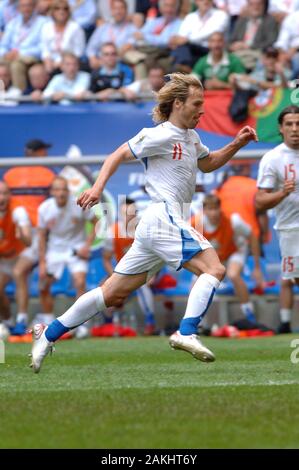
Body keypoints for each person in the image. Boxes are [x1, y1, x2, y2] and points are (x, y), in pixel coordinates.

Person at [30, 72, 257, 373]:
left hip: (157, 224)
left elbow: (208, 163)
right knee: (213, 268)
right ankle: (186, 332)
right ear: (178, 103)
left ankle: (48, 333)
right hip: (163, 216)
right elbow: (117, 155)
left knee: (112, 293)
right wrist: (97, 189)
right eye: (197, 103)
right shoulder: (158, 134)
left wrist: (236, 144)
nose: (202, 110)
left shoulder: (191, 137)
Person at [4, 139, 55, 334]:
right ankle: (17, 320)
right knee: (22, 275)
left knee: (24, 274)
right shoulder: (47, 174)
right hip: (29, 232)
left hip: (23, 233)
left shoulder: (10, 173)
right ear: (36, 152)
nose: (46, 155)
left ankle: (22, 320)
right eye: (44, 151)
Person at [256, 105, 299, 333]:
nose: (295, 129)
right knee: (292, 280)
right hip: (291, 230)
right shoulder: (273, 158)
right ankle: (284, 322)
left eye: (298, 124)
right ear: (281, 129)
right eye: (289, 124)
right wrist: (282, 192)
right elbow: (260, 201)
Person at [37, 176, 98, 334]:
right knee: (43, 285)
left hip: (75, 248)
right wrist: (42, 262)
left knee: (80, 282)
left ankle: (80, 324)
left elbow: (97, 222)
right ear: (52, 191)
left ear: (68, 191)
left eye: (64, 189)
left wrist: (87, 245)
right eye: (57, 189)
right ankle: (48, 321)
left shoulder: (78, 204)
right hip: (54, 250)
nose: (61, 193)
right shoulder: (44, 208)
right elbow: (41, 236)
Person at [193, 193, 263, 323]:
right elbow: (191, 250)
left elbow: (252, 237)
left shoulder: (233, 220)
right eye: (210, 209)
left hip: (234, 251)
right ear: (204, 210)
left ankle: (249, 314)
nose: (213, 213)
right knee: (196, 282)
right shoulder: (196, 223)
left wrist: (257, 267)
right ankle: (199, 323)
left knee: (233, 274)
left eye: (216, 208)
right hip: (213, 258)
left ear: (220, 208)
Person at [102, 197, 157, 335]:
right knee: (104, 288)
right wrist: (112, 276)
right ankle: (108, 324)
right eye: (125, 214)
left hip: (145, 269)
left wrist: (153, 275)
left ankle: (150, 322)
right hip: (123, 271)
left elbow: (157, 254)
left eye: (131, 213)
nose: (129, 217)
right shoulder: (112, 231)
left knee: (144, 286)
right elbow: (106, 259)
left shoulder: (144, 229)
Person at [0, 181, 31, 330]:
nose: (1, 197)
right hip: (5, 256)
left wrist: (21, 235)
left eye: (5, 193)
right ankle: (7, 321)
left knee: (18, 272)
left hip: (24, 251)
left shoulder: (18, 211)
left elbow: (29, 241)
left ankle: (22, 319)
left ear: (9, 195)